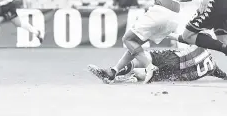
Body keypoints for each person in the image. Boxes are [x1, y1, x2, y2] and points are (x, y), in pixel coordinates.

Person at [100, 0, 194, 83]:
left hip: (160, 11)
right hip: (174, 17)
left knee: (127, 39)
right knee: (135, 45)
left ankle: (149, 67)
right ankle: (114, 72)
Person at [88, 35, 227, 83]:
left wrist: (161, 34)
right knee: (150, 73)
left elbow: (180, 36)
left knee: (139, 56)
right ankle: (131, 77)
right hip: (177, 75)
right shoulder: (213, 67)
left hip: (174, 59)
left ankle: (112, 72)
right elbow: (223, 76)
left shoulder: (199, 42)